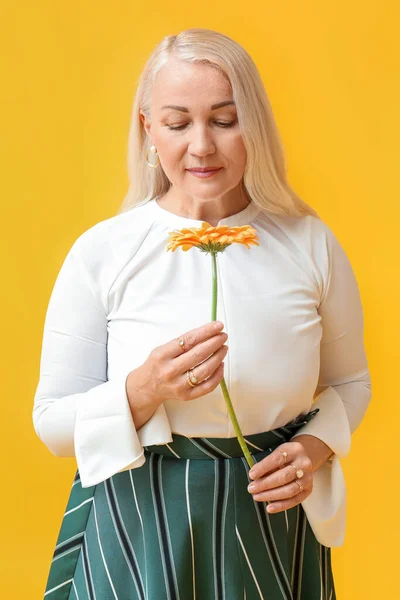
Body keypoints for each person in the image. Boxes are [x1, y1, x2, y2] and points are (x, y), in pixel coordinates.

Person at [33, 28, 372, 599]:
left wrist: (311, 451)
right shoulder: (104, 251)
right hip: (140, 525)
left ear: (256, 125)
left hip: (269, 523)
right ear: (148, 128)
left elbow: (350, 383)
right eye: (177, 122)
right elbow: (50, 422)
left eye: (223, 119)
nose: (201, 146)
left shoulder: (310, 243)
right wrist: (145, 389)